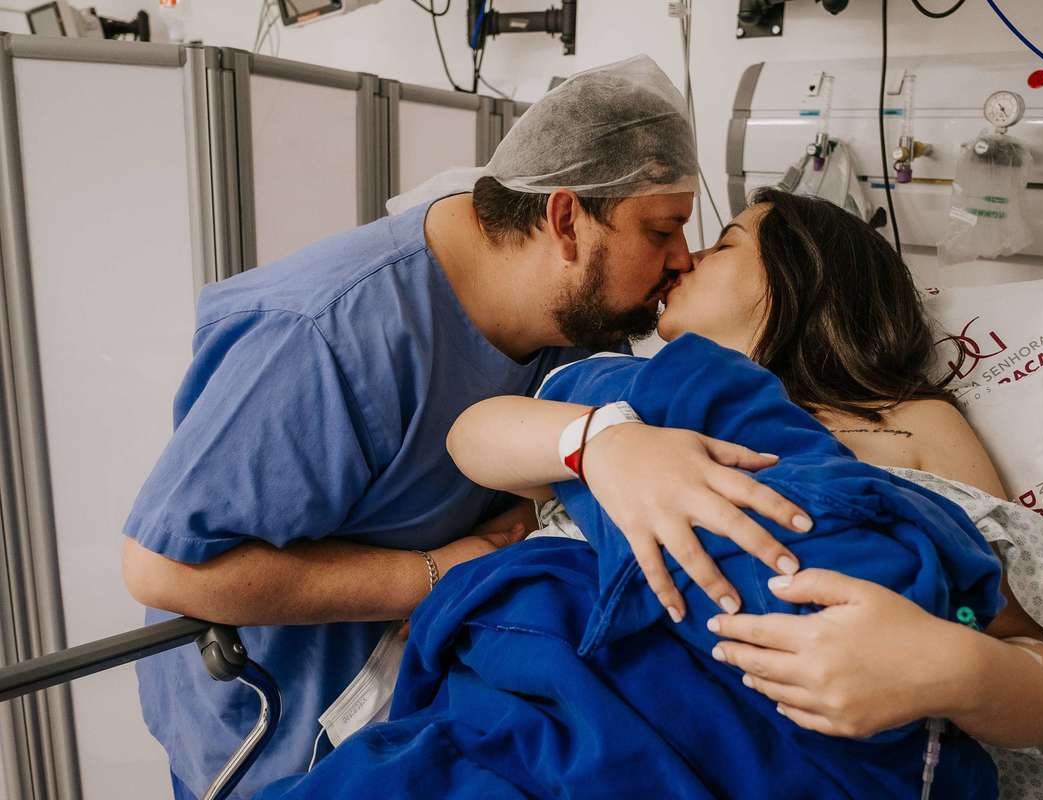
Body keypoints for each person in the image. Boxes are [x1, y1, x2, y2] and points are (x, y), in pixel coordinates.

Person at [119, 56, 811, 800]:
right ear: (565, 219)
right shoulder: (325, 337)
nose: (681, 258)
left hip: (425, 713)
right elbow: (164, 569)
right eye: (662, 230)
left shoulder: (576, 318)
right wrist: (430, 576)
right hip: (275, 726)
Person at [446, 189, 1043, 751]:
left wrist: (951, 666)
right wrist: (606, 444)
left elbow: (1033, 656)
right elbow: (471, 438)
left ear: (802, 277)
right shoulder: (635, 396)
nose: (684, 260)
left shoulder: (904, 421)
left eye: (723, 245)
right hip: (570, 704)